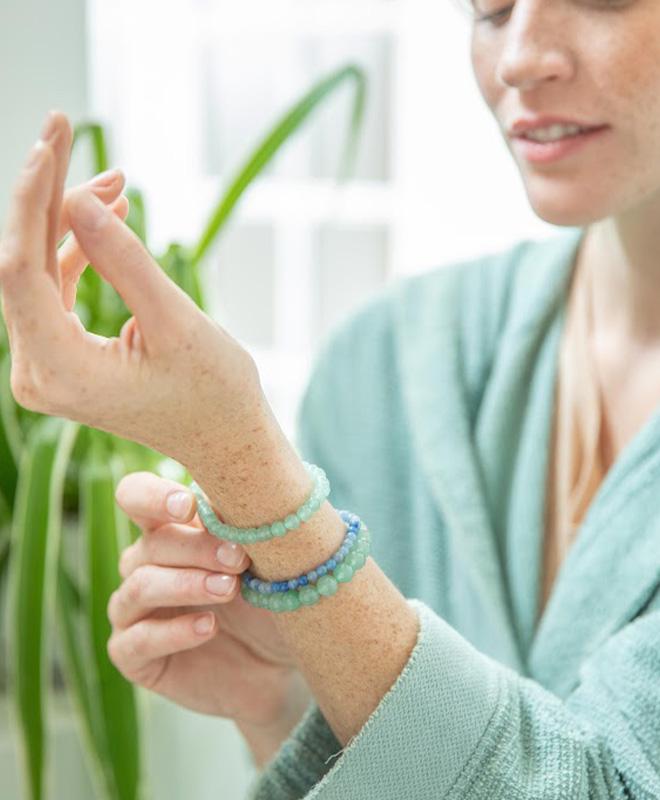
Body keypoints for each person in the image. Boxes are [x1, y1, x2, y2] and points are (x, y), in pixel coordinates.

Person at [4, 0, 660, 795]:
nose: (521, 56)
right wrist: (281, 703)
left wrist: (245, 466)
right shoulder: (384, 369)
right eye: (490, 6)